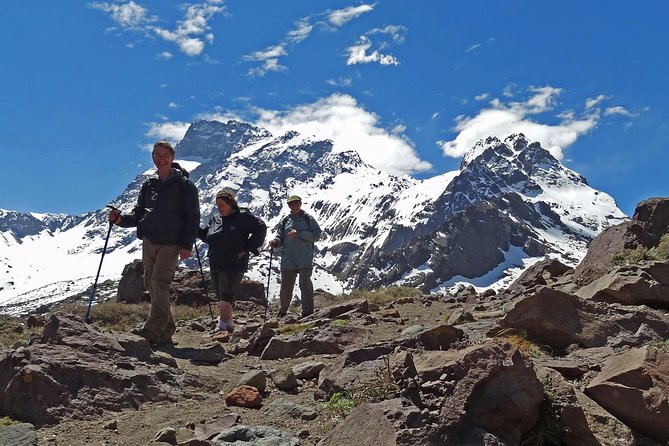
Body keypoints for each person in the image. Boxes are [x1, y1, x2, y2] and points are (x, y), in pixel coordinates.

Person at [108, 141, 200, 346]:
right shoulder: (149, 185)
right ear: (152, 158)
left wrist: (187, 244)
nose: (161, 158)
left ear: (172, 157)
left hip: (171, 241)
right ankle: (167, 327)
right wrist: (120, 219)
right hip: (149, 239)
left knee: (159, 282)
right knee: (150, 282)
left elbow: (193, 216)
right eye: (157, 155)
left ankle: (152, 330)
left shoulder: (184, 185)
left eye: (165, 154)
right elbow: (139, 213)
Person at [198, 189, 267, 333]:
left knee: (225, 293)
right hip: (216, 260)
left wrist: (248, 247)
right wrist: (193, 228)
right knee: (219, 293)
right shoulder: (216, 219)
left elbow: (260, 227)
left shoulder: (242, 216)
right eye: (217, 206)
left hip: (234, 262)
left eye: (221, 205)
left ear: (230, 204)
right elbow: (206, 235)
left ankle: (222, 325)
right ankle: (228, 324)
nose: (219, 208)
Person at [268, 195, 322, 318]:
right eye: (291, 204)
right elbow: (280, 237)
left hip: (304, 258)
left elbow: (317, 235)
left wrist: (299, 234)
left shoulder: (308, 219)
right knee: (286, 287)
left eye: (296, 203)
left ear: (300, 203)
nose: (294, 205)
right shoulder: (286, 221)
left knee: (305, 285)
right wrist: (275, 242)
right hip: (288, 259)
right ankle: (283, 311)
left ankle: (307, 312)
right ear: (289, 206)